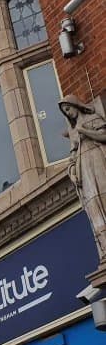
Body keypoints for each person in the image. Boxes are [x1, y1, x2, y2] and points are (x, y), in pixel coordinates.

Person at [59, 94, 106, 263]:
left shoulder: (92, 118)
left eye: (68, 108)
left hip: (97, 158)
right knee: (93, 204)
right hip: (83, 167)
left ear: (76, 105)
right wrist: (72, 171)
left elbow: (103, 136)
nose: (69, 113)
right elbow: (73, 156)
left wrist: (84, 131)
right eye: (65, 112)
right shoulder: (73, 132)